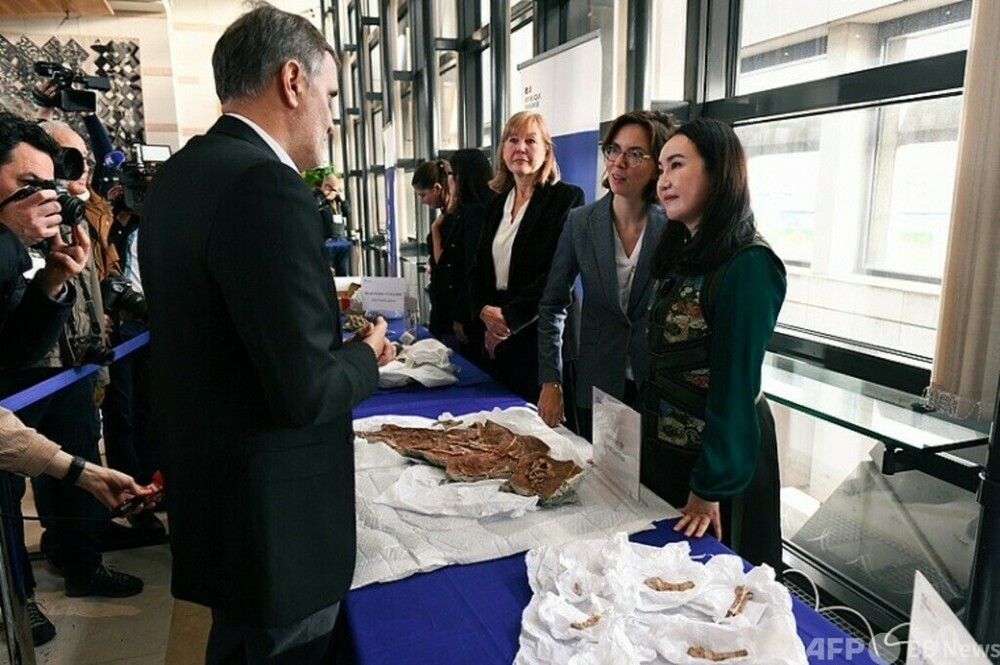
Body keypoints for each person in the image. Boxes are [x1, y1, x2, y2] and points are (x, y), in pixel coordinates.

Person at [140, 5, 394, 663]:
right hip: (278, 529)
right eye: (332, 96)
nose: (334, 119)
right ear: (293, 82)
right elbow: (305, 390)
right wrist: (368, 352)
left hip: (220, 508)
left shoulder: (179, 177)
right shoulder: (266, 186)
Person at [642, 117, 786, 572]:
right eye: (661, 167)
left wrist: (709, 488)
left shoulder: (749, 264)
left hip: (721, 466)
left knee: (720, 591)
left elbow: (734, 387)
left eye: (677, 165)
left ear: (718, 172)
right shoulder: (686, 249)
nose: (663, 181)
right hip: (671, 452)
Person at [537, 110, 675, 439]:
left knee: (650, 487)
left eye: (635, 154)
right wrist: (550, 379)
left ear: (658, 164)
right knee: (601, 481)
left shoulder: (674, 226)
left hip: (655, 383)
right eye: (613, 149)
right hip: (599, 378)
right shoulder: (580, 222)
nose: (619, 162)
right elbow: (553, 304)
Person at [469, 111, 584, 403]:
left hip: (542, 340)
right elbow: (477, 269)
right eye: (513, 139)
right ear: (503, 150)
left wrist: (508, 319)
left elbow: (557, 275)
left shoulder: (566, 199)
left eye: (530, 141)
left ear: (546, 151)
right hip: (497, 339)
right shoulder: (495, 204)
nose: (520, 148)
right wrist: (484, 313)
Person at [425, 149, 493, 361]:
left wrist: (461, 315)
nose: (448, 181)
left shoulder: (476, 212)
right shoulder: (463, 211)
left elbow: (471, 267)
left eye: (450, 174)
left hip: (466, 316)